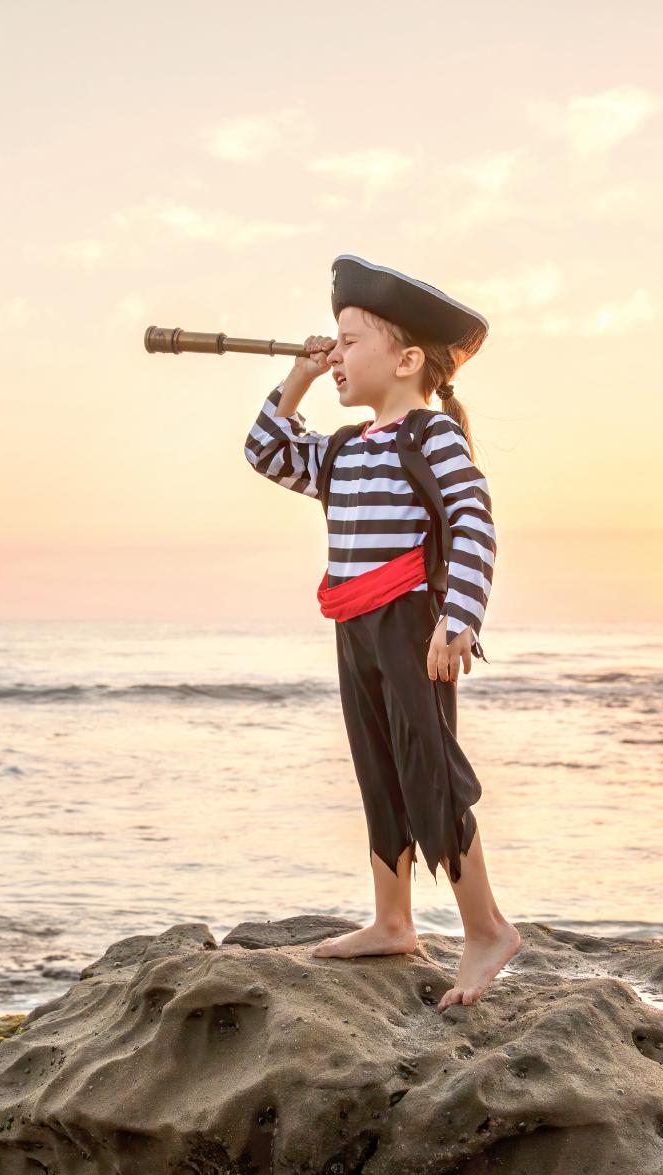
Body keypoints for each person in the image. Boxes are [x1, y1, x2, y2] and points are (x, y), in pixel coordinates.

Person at [243, 253, 521, 1009]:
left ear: (404, 360)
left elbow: (473, 521)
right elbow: (264, 450)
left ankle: (486, 927)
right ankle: (393, 919)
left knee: (429, 769)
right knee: (378, 767)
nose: (335, 355)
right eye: (330, 341)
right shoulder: (340, 451)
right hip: (353, 623)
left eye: (350, 340)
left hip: (411, 625)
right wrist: (298, 377)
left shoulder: (427, 437)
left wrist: (460, 619)